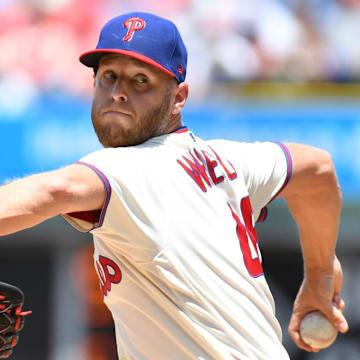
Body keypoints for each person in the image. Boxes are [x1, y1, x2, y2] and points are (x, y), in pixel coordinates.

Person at [0, 11, 348, 360]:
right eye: (109, 76)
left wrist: (320, 274)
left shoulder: (128, 168)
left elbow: (52, 191)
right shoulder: (231, 160)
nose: (119, 93)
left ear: (179, 97)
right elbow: (317, 168)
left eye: (140, 81)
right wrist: (319, 274)